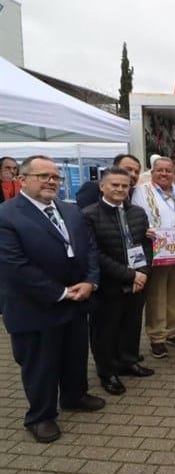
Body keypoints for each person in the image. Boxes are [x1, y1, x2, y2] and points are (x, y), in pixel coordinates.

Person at [0, 155, 105, 443]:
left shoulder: (69, 210)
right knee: (40, 363)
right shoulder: (6, 215)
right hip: (34, 306)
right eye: (43, 176)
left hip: (77, 298)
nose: (51, 181)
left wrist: (91, 281)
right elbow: (13, 266)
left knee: (75, 354)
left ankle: (74, 396)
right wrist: (60, 292)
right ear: (22, 179)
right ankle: (41, 416)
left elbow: (90, 248)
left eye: (55, 177)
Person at [82, 167, 154, 396]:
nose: (120, 189)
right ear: (102, 186)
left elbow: (145, 245)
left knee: (131, 325)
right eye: (115, 185)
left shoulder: (139, 213)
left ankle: (128, 361)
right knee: (106, 329)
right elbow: (94, 254)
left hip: (137, 281)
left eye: (124, 185)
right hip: (109, 284)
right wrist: (128, 274)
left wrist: (142, 272)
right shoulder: (89, 214)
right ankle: (107, 372)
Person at [132, 156, 175, 359]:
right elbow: (136, 218)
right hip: (157, 252)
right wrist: (145, 230)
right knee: (157, 295)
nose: (164, 174)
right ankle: (157, 337)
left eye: (168, 170)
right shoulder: (142, 192)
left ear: (174, 173)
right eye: (160, 170)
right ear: (152, 172)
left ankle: (173, 332)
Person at [75, 154, 142, 209]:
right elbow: (84, 217)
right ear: (114, 168)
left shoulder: (135, 193)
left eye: (137, 172)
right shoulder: (92, 188)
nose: (133, 174)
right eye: (128, 169)